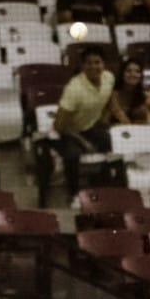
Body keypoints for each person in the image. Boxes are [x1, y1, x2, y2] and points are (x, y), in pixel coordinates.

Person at [48, 46, 115, 200]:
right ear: (83, 66)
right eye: (89, 63)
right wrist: (84, 142)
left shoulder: (109, 78)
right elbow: (59, 126)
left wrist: (105, 118)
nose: (93, 67)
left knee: (113, 144)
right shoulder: (74, 89)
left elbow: (109, 100)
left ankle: (103, 185)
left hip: (91, 126)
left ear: (104, 64)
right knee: (73, 154)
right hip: (68, 131)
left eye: (97, 62)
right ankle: (74, 193)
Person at [104, 58, 150, 127]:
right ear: (122, 74)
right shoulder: (113, 95)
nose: (133, 74)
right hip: (117, 133)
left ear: (141, 76)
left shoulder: (147, 96)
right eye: (128, 71)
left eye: (137, 71)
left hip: (141, 133)